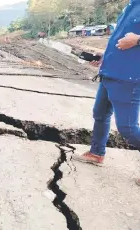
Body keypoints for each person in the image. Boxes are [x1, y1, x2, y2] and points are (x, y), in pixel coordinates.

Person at [73, 1, 140, 187]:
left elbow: (132, 40)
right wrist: (104, 57)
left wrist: (138, 40)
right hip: (110, 71)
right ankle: (96, 152)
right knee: (100, 114)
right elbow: (118, 38)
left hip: (129, 77)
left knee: (128, 128)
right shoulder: (132, 4)